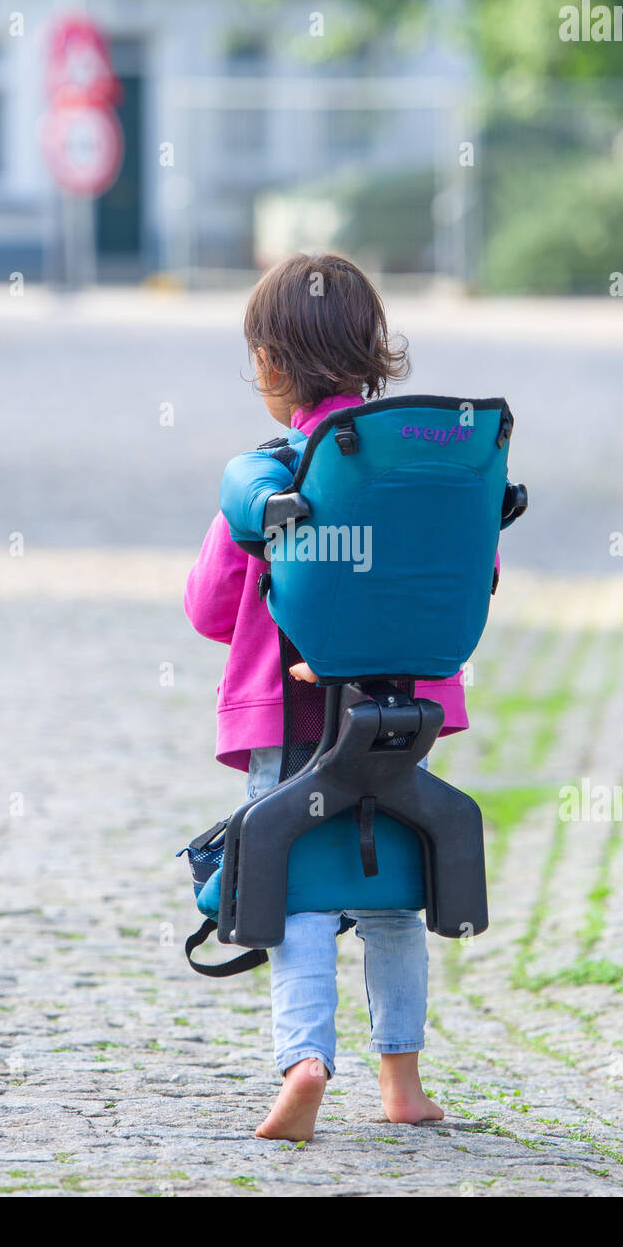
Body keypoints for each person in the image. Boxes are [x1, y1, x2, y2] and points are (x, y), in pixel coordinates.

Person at [184, 252, 482, 1142]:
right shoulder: (425, 474)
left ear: (272, 367)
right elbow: (478, 571)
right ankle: (403, 1084)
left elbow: (206, 609)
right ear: (376, 352)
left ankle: (305, 1062)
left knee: (297, 890)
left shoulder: (272, 474)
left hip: (292, 720)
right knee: (392, 894)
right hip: (400, 723)